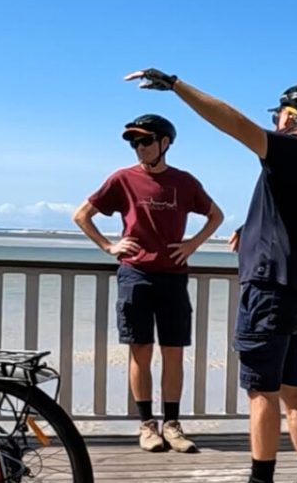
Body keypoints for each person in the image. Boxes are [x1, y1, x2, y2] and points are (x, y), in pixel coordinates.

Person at [126, 68, 297, 483]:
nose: (276, 121)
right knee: (291, 387)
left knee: (260, 391)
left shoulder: (291, 148)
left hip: (268, 287)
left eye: (279, 114)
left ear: (289, 115)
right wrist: (257, 228)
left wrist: (178, 86)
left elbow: (233, 124)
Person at [72, 113, 224, 454]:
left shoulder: (184, 182)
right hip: (135, 274)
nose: (138, 148)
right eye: (134, 142)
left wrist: (192, 245)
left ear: (164, 143)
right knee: (140, 350)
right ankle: (147, 425)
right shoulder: (122, 179)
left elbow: (217, 215)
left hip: (173, 276)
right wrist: (109, 246)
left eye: (145, 141)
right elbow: (81, 215)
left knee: (173, 351)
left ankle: (172, 424)